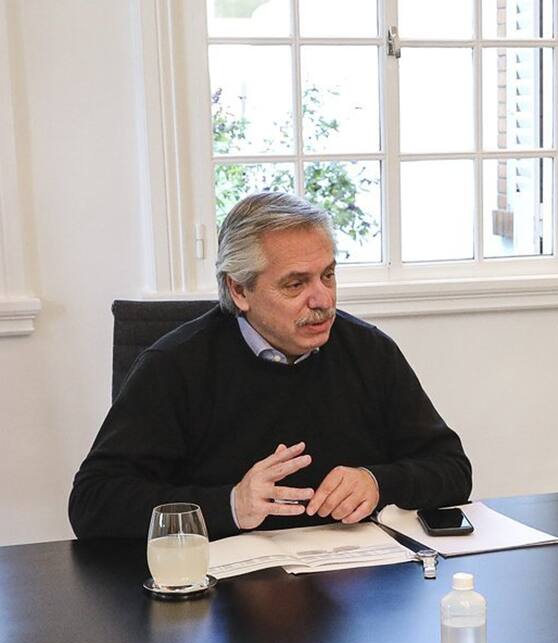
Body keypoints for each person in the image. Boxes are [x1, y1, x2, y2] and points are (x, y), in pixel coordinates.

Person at [70, 191, 471, 539]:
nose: (323, 300)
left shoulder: (369, 351)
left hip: (351, 587)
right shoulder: (174, 366)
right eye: (296, 284)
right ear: (239, 289)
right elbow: (94, 502)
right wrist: (228, 505)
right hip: (225, 604)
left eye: (327, 275)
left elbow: (452, 470)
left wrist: (378, 482)